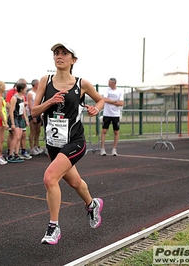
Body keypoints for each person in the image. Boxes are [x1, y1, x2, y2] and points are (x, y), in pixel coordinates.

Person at [31, 42, 105, 245]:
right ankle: (92, 204)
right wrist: (50, 102)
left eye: (64, 53)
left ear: (73, 60)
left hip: (75, 141)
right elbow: (34, 111)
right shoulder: (45, 81)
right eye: (56, 53)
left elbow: (100, 100)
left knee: (49, 178)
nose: (59, 56)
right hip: (54, 144)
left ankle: (53, 227)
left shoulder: (82, 84)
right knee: (75, 182)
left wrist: (96, 109)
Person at [100, 77, 124, 156]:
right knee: (104, 131)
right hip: (107, 114)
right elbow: (105, 99)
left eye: (110, 82)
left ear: (114, 83)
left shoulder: (120, 91)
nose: (108, 84)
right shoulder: (107, 90)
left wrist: (111, 101)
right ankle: (102, 149)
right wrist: (115, 101)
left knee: (116, 131)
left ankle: (114, 149)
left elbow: (121, 103)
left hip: (115, 115)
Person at [7, 82, 29, 162]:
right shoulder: (14, 98)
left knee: (19, 137)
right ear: (22, 89)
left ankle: (16, 154)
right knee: (15, 137)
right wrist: (12, 123)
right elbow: (11, 111)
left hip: (20, 118)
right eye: (25, 88)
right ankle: (10, 154)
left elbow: (23, 109)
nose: (26, 90)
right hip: (15, 118)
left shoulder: (22, 97)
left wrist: (26, 119)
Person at [27, 79, 43, 156]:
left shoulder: (38, 93)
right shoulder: (30, 93)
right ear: (36, 85)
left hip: (38, 113)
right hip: (32, 114)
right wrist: (33, 116)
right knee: (33, 131)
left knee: (38, 130)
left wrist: (40, 114)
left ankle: (36, 145)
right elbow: (30, 106)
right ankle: (32, 148)